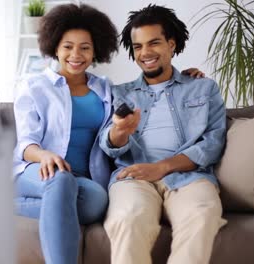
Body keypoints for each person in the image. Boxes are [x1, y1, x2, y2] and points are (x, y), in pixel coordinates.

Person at [13, 4, 204, 264]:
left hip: (84, 183)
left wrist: (186, 78)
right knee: (61, 181)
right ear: (55, 47)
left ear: (96, 51)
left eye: (85, 47)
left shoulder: (104, 88)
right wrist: (44, 155)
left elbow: (146, 91)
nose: (76, 54)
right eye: (68, 46)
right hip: (38, 171)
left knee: (98, 203)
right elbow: (25, 142)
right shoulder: (35, 87)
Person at [99, 4, 227, 264]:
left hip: (189, 176)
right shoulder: (120, 94)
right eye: (138, 47)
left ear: (171, 43)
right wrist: (120, 131)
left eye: (154, 43)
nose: (145, 52)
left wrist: (162, 168)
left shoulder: (202, 88)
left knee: (202, 214)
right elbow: (108, 145)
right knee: (127, 218)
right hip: (133, 176)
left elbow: (213, 142)